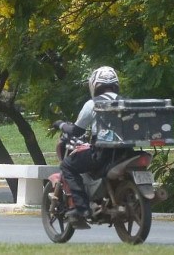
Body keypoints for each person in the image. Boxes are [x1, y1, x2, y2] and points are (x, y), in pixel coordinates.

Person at [51, 66, 121, 228]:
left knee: (68, 166)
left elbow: (76, 131)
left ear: (95, 85)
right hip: (125, 153)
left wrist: (60, 124)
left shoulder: (92, 104)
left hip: (102, 154)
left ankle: (82, 209)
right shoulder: (127, 101)